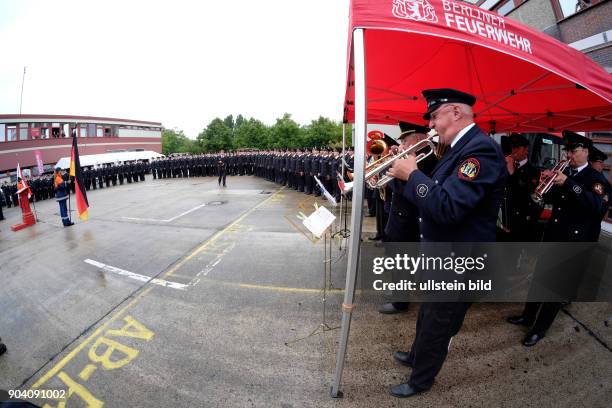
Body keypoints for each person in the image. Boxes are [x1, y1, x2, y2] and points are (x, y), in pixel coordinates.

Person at [385, 88, 507, 398]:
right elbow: (431, 194)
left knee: (440, 321)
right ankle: (415, 355)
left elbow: (448, 206)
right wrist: (405, 176)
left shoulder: (480, 151)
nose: (432, 126)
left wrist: (412, 174)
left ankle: (420, 380)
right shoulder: (456, 148)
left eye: (435, 116)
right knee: (429, 311)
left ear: (455, 113)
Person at [506, 131, 610, 346]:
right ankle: (527, 316)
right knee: (539, 279)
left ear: (586, 152)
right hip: (553, 234)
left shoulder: (595, 178)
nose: (569, 154)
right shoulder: (566, 172)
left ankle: (540, 329)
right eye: (568, 150)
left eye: (573, 150)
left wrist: (569, 183)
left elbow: (596, 207)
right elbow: (554, 199)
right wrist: (545, 184)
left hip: (573, 241)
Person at [379, 122, 436, 314]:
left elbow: (412, 190)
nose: (402, 143)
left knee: (402, 262)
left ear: (419, 138)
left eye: (405, 139)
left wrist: (394, 177)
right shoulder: (409, 156)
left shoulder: (428, 159)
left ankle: (400, 302)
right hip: (399, 218)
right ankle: (399, 290)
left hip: (410, 220)